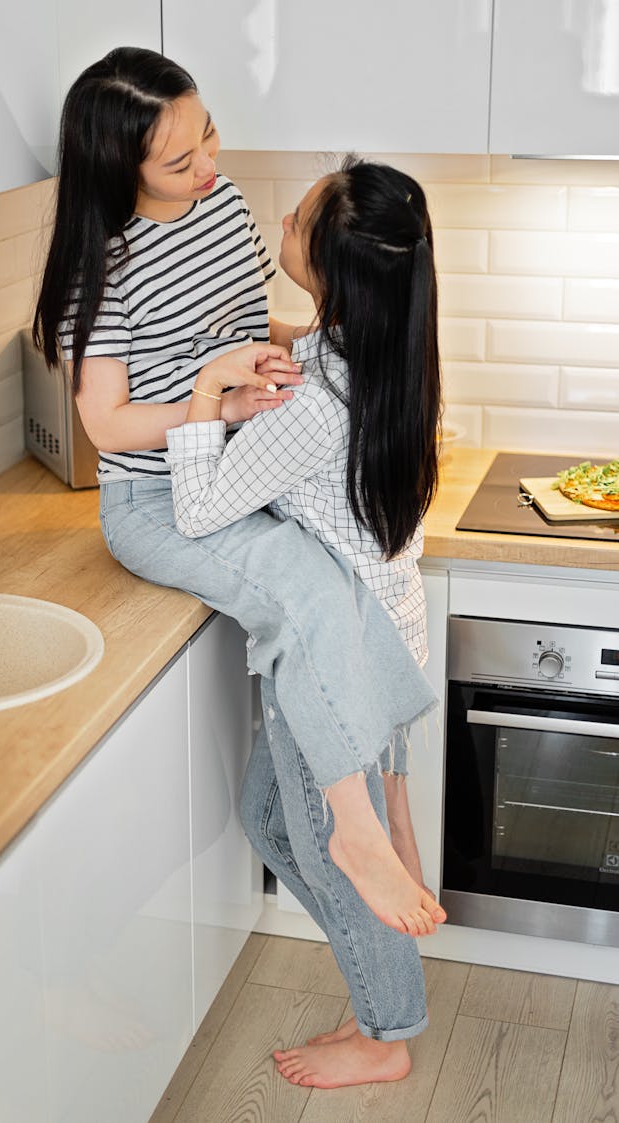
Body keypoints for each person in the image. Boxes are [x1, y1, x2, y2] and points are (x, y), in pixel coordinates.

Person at [33, 46, 444, 948]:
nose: (211, 167)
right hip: (157, 502)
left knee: (344, 589)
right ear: (120, 168)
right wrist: (210, 398)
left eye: (208, 134)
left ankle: (386, 804)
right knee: (308, 594)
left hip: (228, 471)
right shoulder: (102, 266)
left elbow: (248, 321)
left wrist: (326, 349)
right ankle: (360, 826)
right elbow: (105, 424)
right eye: (180, 162)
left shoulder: (216, 208)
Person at [163, 157, 443, 1087]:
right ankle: (379, 976)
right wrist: (274, 344)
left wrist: (208, 389)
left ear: (327, 266)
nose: (282, 216)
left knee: (329, 845)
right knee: (274, 821)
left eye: (298, 218)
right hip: (384, 634)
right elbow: (314, 364)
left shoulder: (314, 406)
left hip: (337, 667)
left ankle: (386, 1031)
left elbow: (201, 508)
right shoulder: (389, 356)